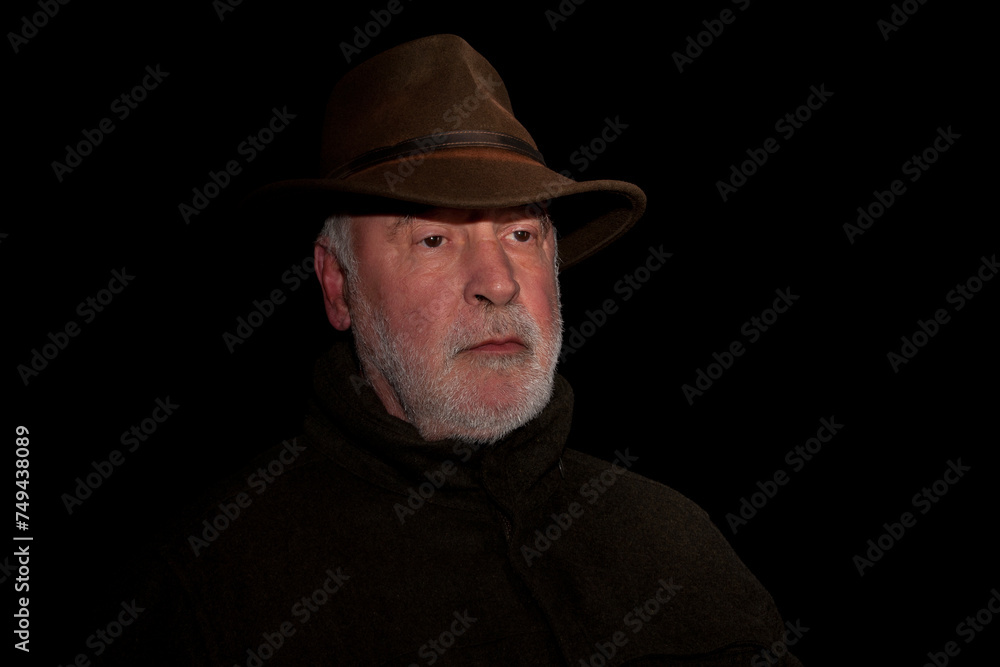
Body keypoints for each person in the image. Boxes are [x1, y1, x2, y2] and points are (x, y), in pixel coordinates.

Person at [98, 34, 802, 666]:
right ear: (338, 285)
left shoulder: (675, 545)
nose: (498, 282)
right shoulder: (209, 589)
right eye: (433, 239)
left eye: (521, 235)